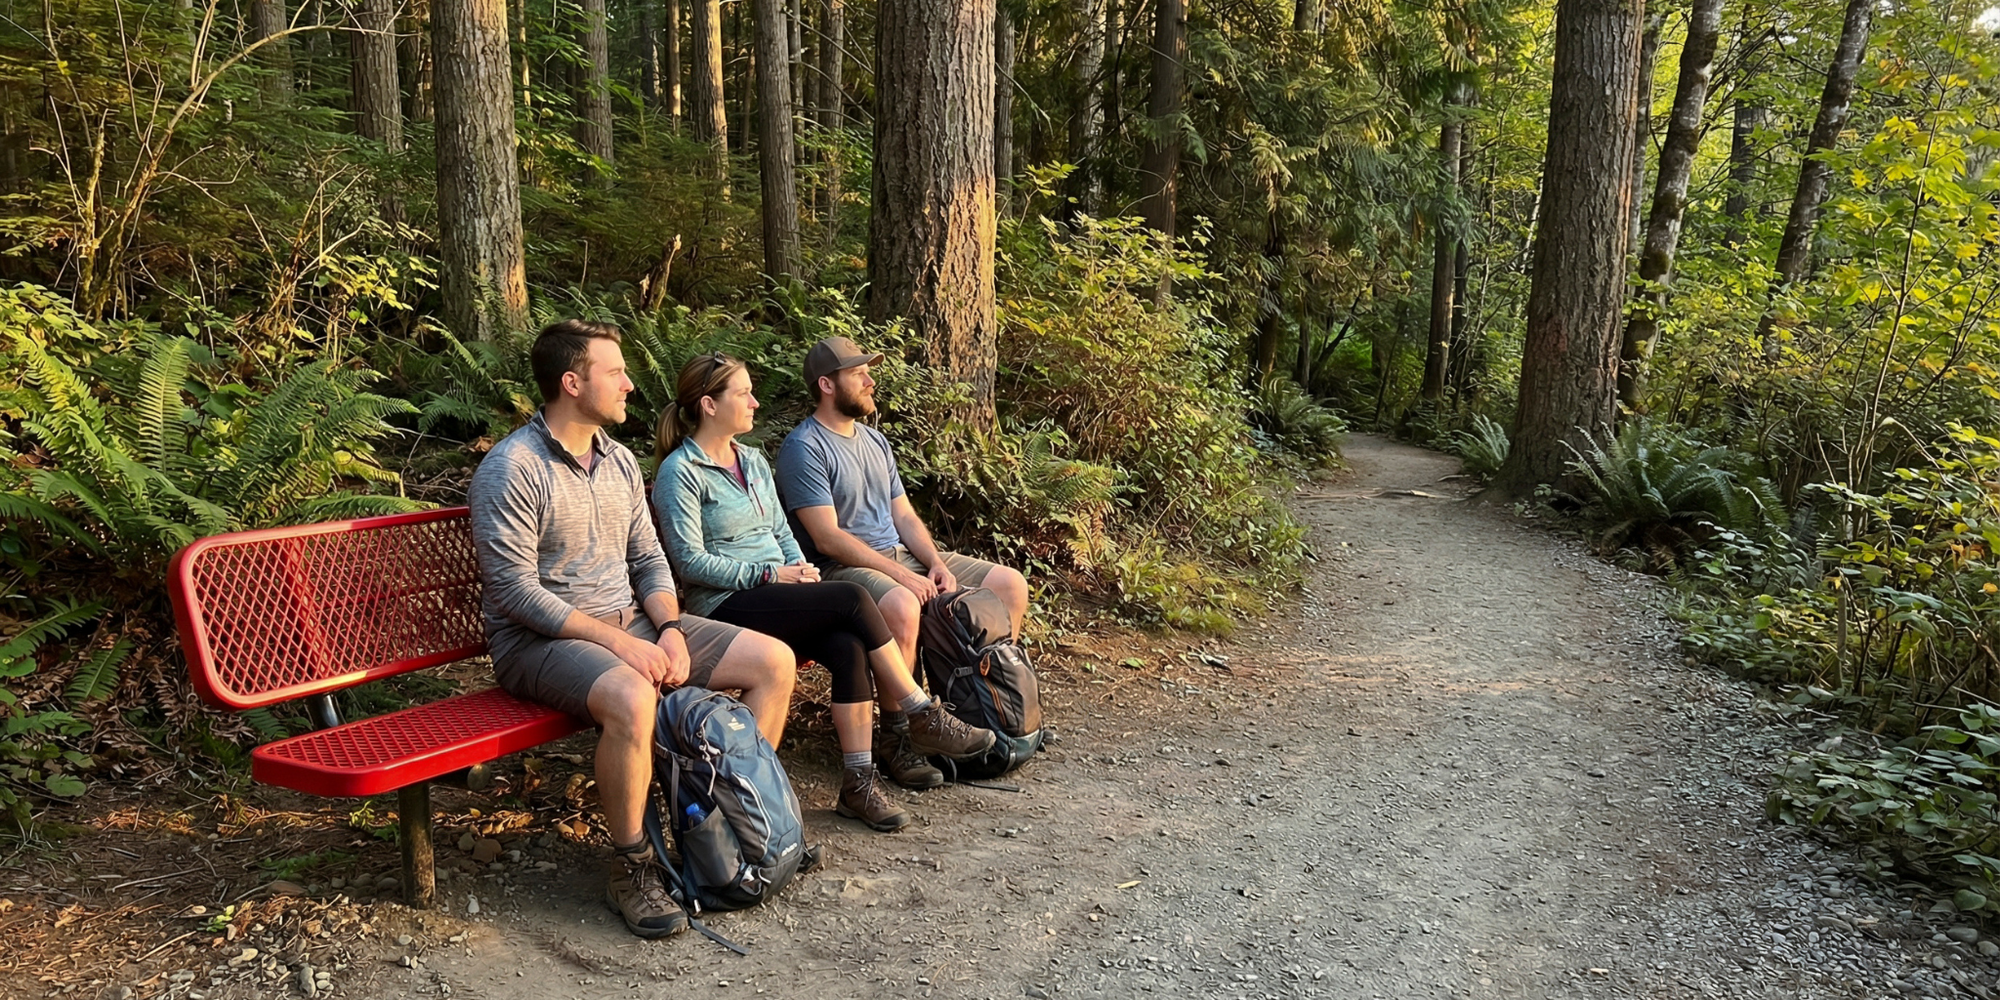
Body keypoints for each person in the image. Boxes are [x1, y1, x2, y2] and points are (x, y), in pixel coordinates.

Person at [467, 320, 797, 940]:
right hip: (540, 643)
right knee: (631, 695)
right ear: (572, 383)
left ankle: (741, 820)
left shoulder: (618, 460)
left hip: (637, 621)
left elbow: (648, 559)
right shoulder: (512, 467)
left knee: (773, 663)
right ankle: (633, 866)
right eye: (615, 372)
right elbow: (513, 591)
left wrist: (669, 629)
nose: (630, 384)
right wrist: (622, 643)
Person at [651, 352, 997, 830]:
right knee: (852, 598)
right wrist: (773, 577)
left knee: (847, 643)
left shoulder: (751, 460)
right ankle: (918, 708)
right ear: (709, 405)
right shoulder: (680, 472)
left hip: (779, 591)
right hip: (726, 605)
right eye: (744, 393)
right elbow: (688, 562)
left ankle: (858, 785)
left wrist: (799, 567)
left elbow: (781, 530)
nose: (755, 401)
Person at [775, 337, 1031, 767]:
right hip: (842, 568)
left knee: (1009, 584)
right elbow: (827, 538)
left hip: (899, 554)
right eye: (858, 374)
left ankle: (995, 708)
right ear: (827, 385)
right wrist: (904, 577)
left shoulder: (875, 442)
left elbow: (906, 517)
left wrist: (933, 563)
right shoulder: (804, 448)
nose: (870, 380)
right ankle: (901, 738)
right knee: (902, 603)